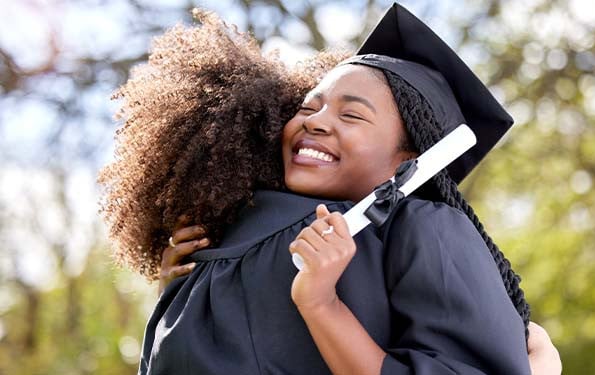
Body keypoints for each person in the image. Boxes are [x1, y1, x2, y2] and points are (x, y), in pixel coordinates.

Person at [99, 4, 561, 374]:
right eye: (308, 106)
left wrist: (321, 304)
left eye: (352, 115)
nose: (315, 121)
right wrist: (177, 297)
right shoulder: (231, 234)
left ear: (410, 160)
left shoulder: (420, 227)